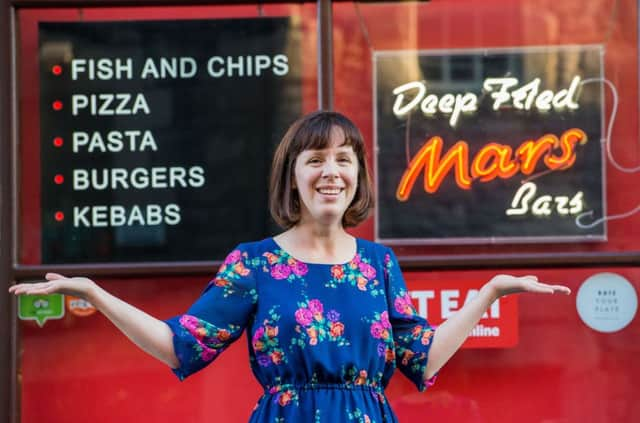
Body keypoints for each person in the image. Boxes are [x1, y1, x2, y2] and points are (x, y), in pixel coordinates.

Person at [9, 111, 571, 422]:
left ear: (357, 176)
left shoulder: (379, 263)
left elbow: (419, 358)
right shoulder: (254, 264)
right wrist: (96, 293)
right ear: (293, 176)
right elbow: (179, 345)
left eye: (344, 159)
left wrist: (489, 294)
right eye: (316, 159)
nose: (331, 171)